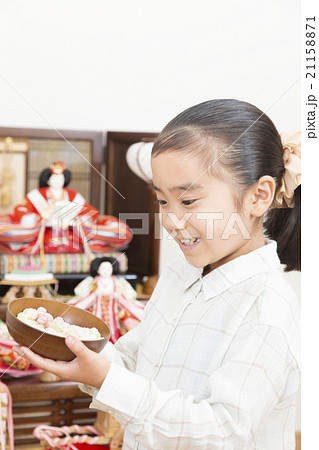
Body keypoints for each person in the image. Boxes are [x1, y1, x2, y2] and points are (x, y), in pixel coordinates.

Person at [15, 99, 301, 449]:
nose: (170, 220)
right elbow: (137, 361)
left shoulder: (268, 307)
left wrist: (106, 379)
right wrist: (69, 342)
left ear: (259, 196)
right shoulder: (182, 275)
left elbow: (223, 433)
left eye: (189, 201)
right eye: (163, 201)